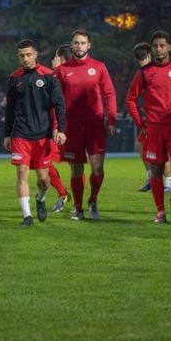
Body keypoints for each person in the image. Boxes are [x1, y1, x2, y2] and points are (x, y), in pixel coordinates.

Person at [126, 31, 171, 223]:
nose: (159, 49)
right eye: (155, 46)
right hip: (154, 128)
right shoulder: (144, 72)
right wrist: (140, 123)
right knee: (156, 170)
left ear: (169, 47)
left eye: (162, 45)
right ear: (152, 49)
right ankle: (160, 211)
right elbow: (131, 99)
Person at [54, 30, 117, 220]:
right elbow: (55, 101)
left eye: (83, 43)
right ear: (71, 46)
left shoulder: (99, 67)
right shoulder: (62, 70)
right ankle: (78, 208)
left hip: (95, 125)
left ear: (89, 45)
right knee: (77, 169)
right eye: (76, 43)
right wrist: (58, 127)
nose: (79, 46)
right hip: (72, 127)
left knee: (97, 168)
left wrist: (111, 119)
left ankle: (93, 199)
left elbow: (109, 93)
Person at [4, 39, 66, 226]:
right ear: (18, 56)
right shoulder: (14, 78)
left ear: (35, 54)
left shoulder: (48, 76)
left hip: (43, 134)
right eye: (22, 55)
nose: (25, 58)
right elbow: (10, 109)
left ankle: (41, 197)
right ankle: (27, 216)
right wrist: (7, 134)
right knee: (22, 173)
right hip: (20, 133)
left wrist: (61, 129)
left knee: (43, 179)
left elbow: (59, 104)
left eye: (28, 54)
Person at [131, 42, 171, 193]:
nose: (141, 61)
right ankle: (152, 178)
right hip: (152, 119)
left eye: (143, 57)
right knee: (140, 145)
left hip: (165, 118)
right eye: (138, 58)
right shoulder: (144, 72)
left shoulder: (159, 69)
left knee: (164, 150)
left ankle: (168, 183)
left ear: (150, 55)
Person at [48, 44, 72, 212]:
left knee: (75, 164)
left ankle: (73, 200)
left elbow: (57, 102)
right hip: (59, 125)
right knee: (45, 163)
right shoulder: (53, 74)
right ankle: (63, 194)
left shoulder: (58, 75)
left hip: (65, 125)